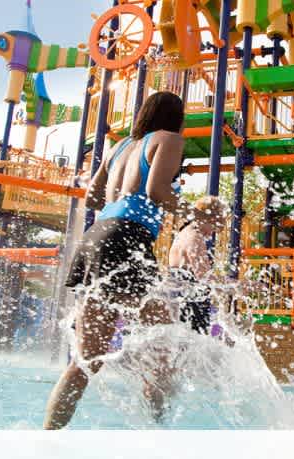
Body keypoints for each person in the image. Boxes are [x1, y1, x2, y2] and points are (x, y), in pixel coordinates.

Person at [46, 91, 187, 429]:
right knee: (166, 349)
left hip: (96, 238)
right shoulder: (169, 139)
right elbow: (155, 192)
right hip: (127, 239)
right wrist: (187, 213)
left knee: (86, 359)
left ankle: (47, 435)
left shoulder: (119, 146)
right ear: (176, 117)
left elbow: (93, 196)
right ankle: (158, 432)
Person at [168, 196, 226, 335]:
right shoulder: (195, 237)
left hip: (176, 296)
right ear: (208, 218)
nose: (211, 234)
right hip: (191, 301)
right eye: (213, 228)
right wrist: (240, 285)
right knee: (195, 341)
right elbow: (205, 278)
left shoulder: (183, 233)